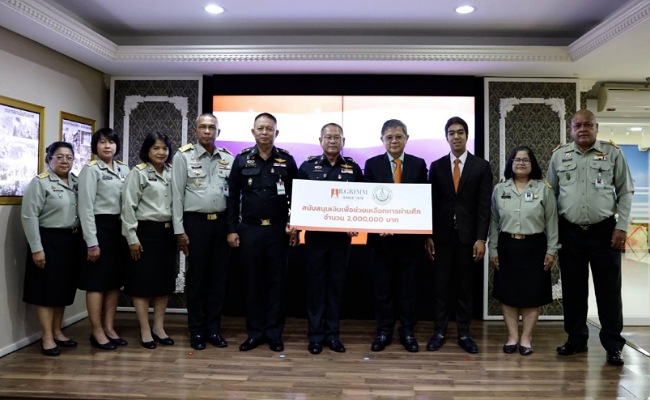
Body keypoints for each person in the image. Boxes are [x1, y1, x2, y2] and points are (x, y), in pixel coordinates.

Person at [547, 109, 633, 366]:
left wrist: (622, 227)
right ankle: (576, 339)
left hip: (605, 232)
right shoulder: (559, 155)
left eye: (588, 125)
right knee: (573, 289)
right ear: (571, 130)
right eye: (578, 126)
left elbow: (625, 191)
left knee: (609, 290)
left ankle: (613, 345)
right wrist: (553, 235)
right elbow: (551, 197)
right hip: (570, 232)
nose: (583, 129)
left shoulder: (613, 153)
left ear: (596, 127)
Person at [227, 112, 298, 352]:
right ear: (253, 132)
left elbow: (297, 197)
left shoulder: (287, 160)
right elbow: (232, 196)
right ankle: (255, 333)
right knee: (253, 282)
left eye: (269, 129)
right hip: (250, 230)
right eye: (261, 128)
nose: (265, 132)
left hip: (278, 230)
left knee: (276, 283)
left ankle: (274, 334)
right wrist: (231, 230)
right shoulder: (242, 159)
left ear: (276, 133)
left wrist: (294, 225)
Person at [426, 116, 492, 354]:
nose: (456, 136)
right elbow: (431, 204)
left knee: (465, 288)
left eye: (460, 132)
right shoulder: (436, 166)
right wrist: (428, 235)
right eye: (452, 133)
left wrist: (481, 238)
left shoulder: (481, 166)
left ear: (467, 136)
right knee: (440, 287)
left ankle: (464, 333)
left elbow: (484, 206)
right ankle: (439, 332)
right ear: (446, 137)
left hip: (468, 239)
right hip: (441, 238)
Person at [297, 123, 364, 354]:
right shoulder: (307, 167)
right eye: (328, 137)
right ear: (320, 140)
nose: (332, 141)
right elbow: (298, 200)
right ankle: (315, 336)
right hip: (315, 238)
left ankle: (333, 335)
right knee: (316, 287)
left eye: (337, 137)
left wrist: (356, 223)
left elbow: (361, 202)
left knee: (336, 287)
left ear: (343, 141)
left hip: (341, 239)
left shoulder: (353, 169)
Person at [364, 119, 428, 353]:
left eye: (399, 136)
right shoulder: (372, 165)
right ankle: (384, 330)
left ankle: (408, 330)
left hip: (410, 240)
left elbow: (424, 201)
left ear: (406, 139)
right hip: (381, 239)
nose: (394, 141)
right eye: (389, 137)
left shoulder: (418, 164)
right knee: (383, 288)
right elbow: (367, 201)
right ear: (382, 140)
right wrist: (376, 224)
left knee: (409, 288)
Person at [488, 145, 559, 356]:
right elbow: (493, 221)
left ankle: (526, 338)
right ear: (510, 163)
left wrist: (552, 250)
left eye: (525, 160)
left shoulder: (543, 189)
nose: (521, 163)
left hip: (535, 247)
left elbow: (552, 221)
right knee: (508, 294)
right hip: (507, 247)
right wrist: (493, 249)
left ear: (532, 164)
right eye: (517, 159)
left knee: (531, 295)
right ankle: (512, 337)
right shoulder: (500, 189)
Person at [171, 113, 233, 351]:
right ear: (195, 131)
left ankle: (213, 329)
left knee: (218, 279)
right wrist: (179, 230)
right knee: (196, 279)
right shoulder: (183, 156)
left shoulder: (228, 157)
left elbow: (233, 196)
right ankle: (196, 330)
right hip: (195, 224)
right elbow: (176, 195)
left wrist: (232, 228)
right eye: (203, 127)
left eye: (212, 127)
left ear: (218, 131)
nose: (208, 131)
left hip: (221, 224)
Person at [21, 141, 83, 356]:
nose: (65, 161)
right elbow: (29, 217)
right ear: (49, 159)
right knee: (45, 290)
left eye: (69, 157)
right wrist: (36, 248)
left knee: (63, 288)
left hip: (71, 241)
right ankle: (46, 336)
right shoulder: (40, 182)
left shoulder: (76, 182)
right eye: (59, 157)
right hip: (48, 240)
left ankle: (57, 331)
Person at [121, 132, 176, 350]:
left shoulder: (172, 171)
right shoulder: (139, 172)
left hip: (167, 233)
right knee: (142, 284)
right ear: (147, 150)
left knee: (163, 283)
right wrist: (132, 238)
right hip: (144, 233)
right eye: (156, 148)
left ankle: (158, 328)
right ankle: (145, 329)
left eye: (164, 148)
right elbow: (128, 207)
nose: (161, 152)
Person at [78, 128, 130, 351]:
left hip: (119, 229)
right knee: (96, 283)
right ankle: (96, 330)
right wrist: (92, 242)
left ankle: (109, 327)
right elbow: (85, 208)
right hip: (98, 229)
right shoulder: (91, 170)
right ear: (95, 146)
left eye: (111, 142)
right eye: (102, 142)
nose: (107, 146)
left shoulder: (124, 169)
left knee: (114, 282)